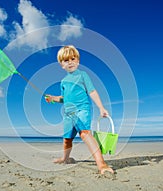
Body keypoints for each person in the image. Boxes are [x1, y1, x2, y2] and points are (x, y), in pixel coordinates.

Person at [45, 45, 114, 174]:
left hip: (82, 110)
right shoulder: (63, 82)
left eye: (73, 58)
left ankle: (101, 164)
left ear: (78, 61)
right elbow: (64, 99)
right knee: (67, 139)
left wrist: (101, 107)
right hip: (68, 114)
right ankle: (65, 158)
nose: (70, 62)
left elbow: (92, 91)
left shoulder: (83, 75)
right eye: (66, 60)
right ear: (61, 65)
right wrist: (53, 98)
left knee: (85, 133)